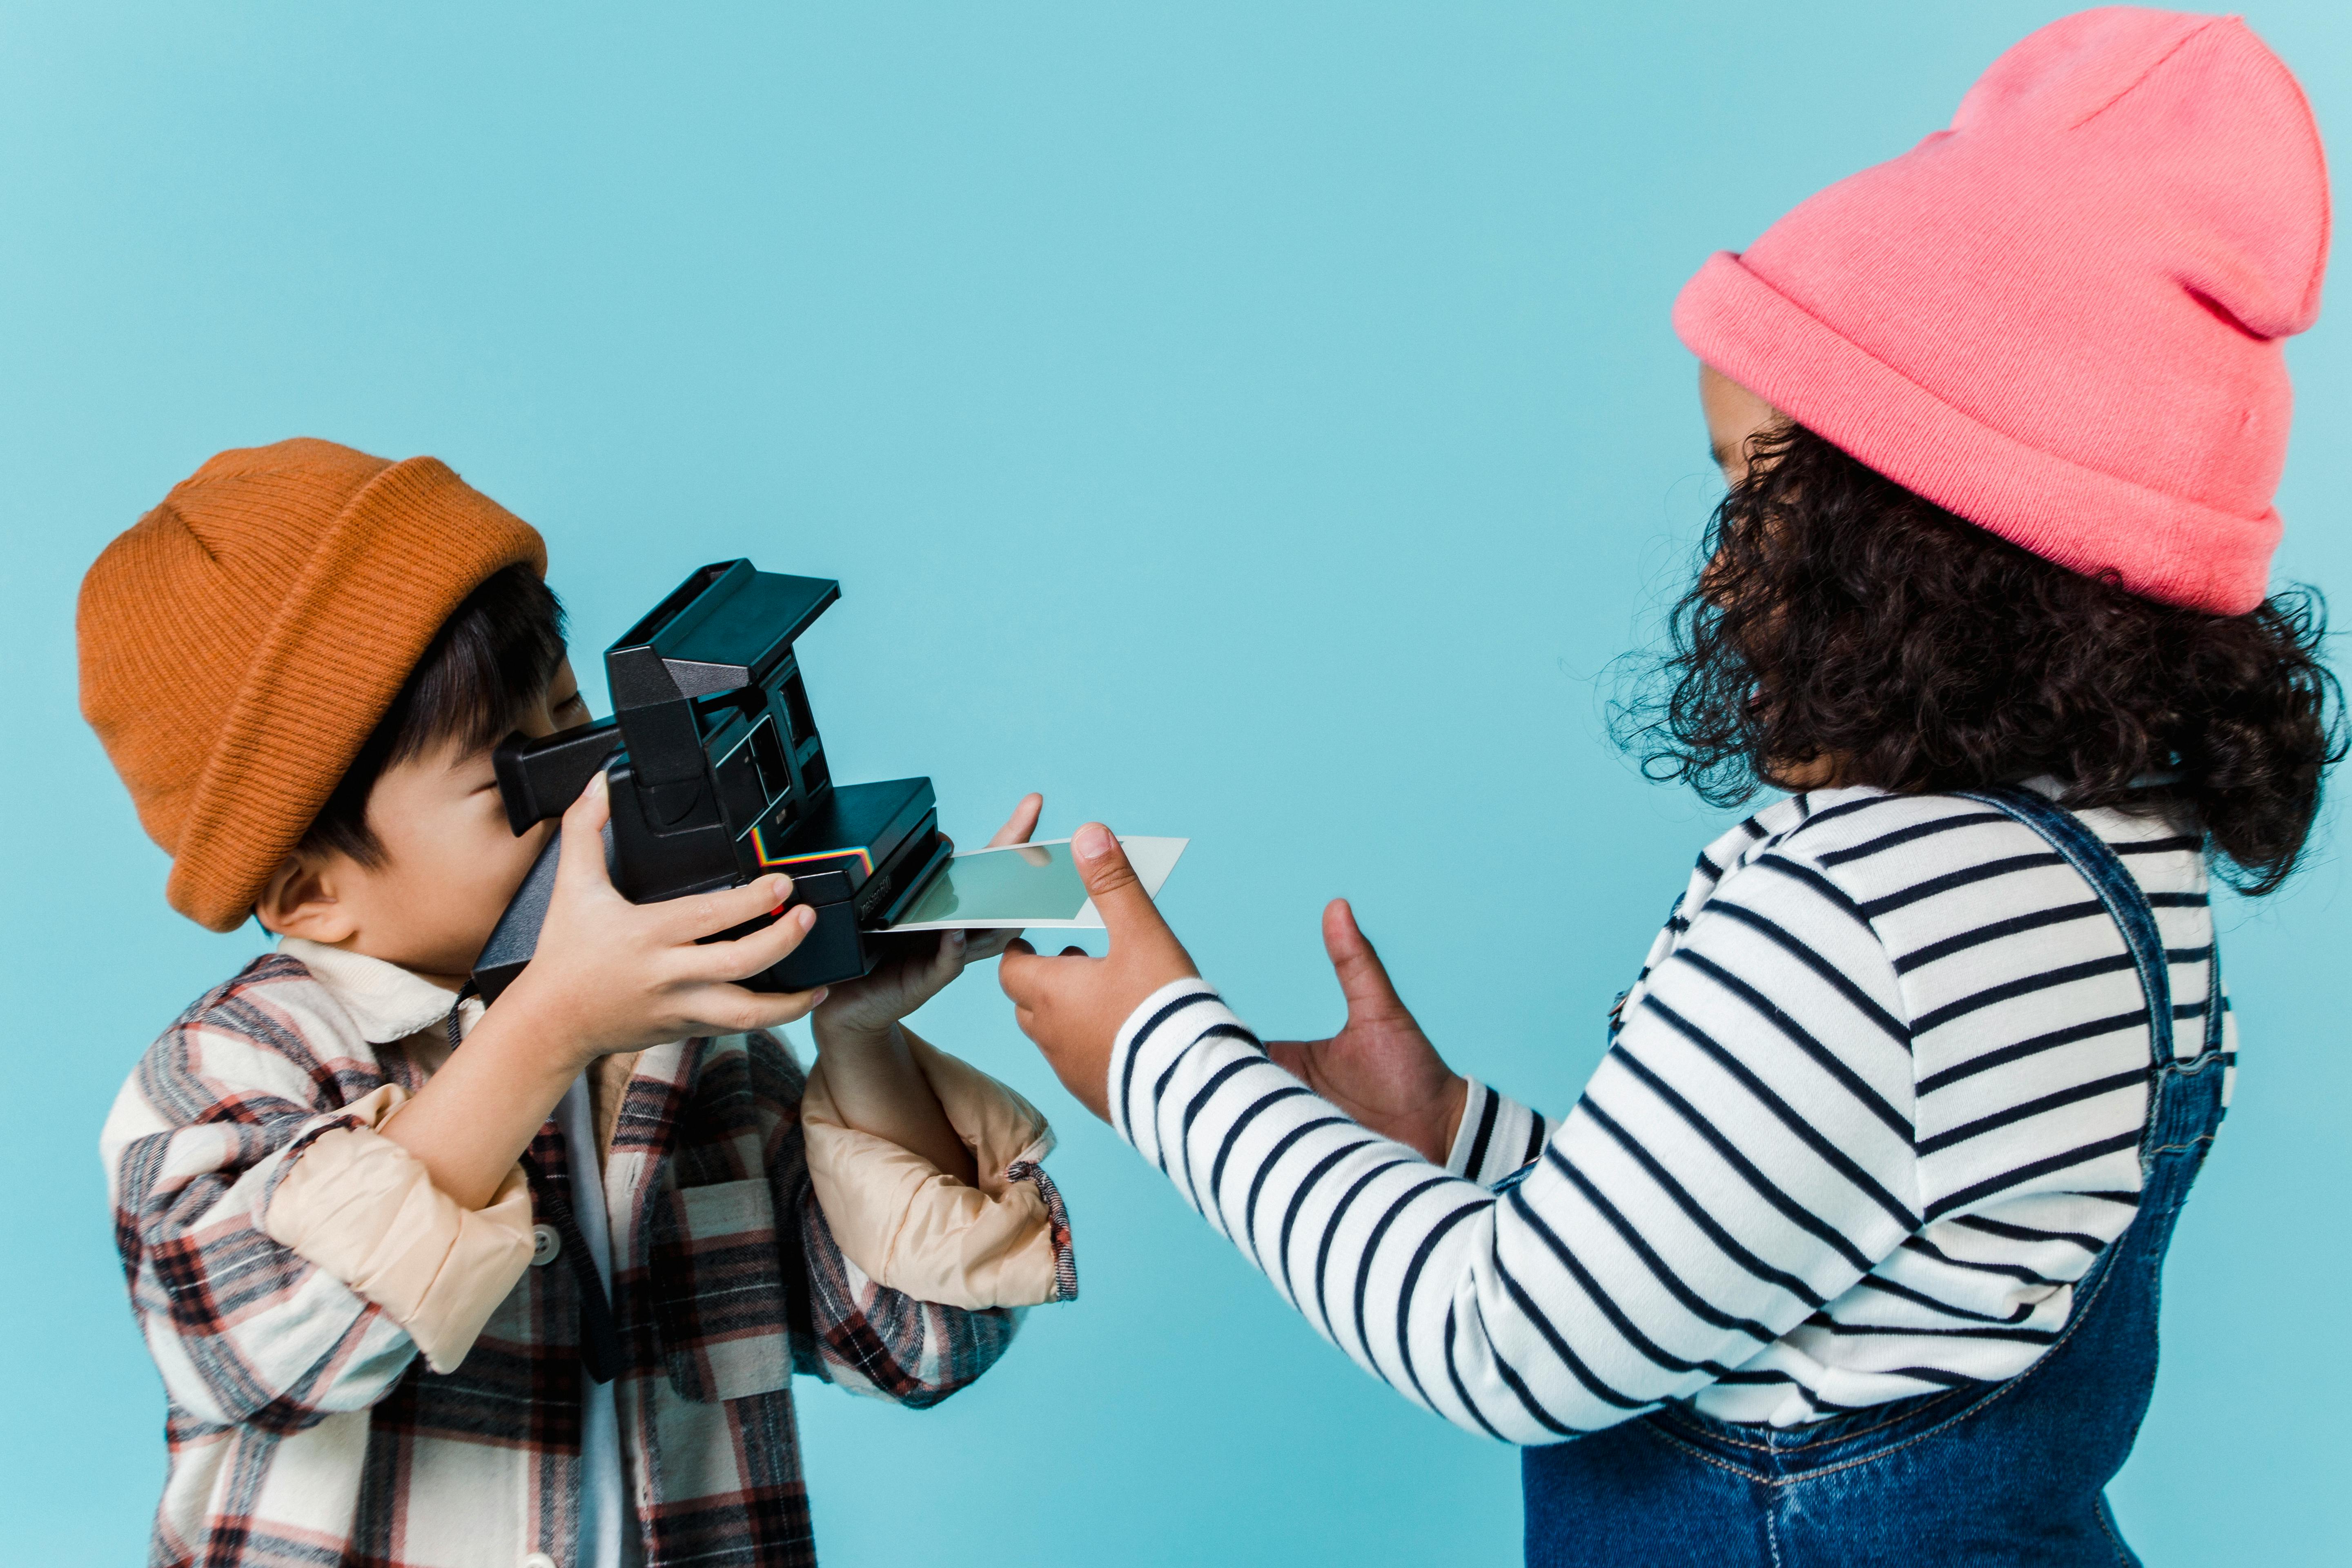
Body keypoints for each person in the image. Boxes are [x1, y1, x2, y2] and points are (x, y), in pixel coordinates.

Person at [997, 9, 2334, 1564]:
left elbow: (1506, 1340)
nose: (1722, 564)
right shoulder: (2109, 864)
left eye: (1753, 497)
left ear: (1912, 553)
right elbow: (1788, 1257)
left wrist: (1169, 1065)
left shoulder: (1868, 911)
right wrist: (1452, 1136)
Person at [84, 438, 1074, 1568]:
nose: (591, 797)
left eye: (575, 725)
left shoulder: (686, 1048)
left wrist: (862, 1039)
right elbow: (266, 1355)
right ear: (316, 893)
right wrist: (549, 1024)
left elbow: (920, 1346)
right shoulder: (231, 1069)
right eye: (515, 776)